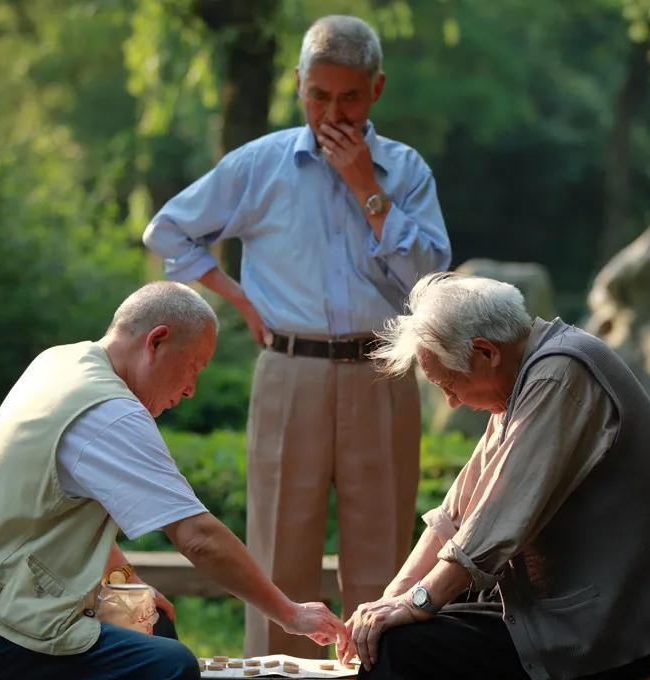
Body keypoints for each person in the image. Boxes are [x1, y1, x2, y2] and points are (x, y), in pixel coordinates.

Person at [142, 15, 452, 658]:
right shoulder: (261, 165)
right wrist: (238, 297)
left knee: (387, 556)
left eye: (349, 97)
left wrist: (368, 188)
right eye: (318, 95)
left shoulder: (405, 170)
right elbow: (167, 232)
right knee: (280, 558)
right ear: (297, 84)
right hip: (289, 371)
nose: (331, 111)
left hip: (383, 369)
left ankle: (375, 672)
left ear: (377, 90)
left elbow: (433, 277)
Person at [0, 282, 343, 680]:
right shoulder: (110, 413)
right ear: (156, 341)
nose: (192, 389)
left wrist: (128, 583)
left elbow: (60, 508)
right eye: (194, 367)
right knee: (171, 666)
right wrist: (291, 614)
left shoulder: (61, 362)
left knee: (153, 621)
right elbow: (198, 537)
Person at [338, 273, 650, 680]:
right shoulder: (523, 379)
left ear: (486, 353)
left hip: (599, 632)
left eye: (449, 384)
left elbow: (494, 523)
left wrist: (417, 602)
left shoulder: (559, 375)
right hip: (547, 614)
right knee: (389, 635)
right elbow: (456, 516)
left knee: (399, 651)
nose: (450, 402)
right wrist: (389, 601)